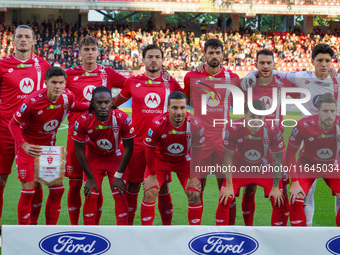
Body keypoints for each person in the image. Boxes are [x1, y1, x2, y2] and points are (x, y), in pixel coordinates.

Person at [241, 43, 340, 226]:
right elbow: (273, 71)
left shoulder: (338, 80)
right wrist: (250, 73)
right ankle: (305, 232)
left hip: (335, 144)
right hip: (307, 143)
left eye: (328, 61)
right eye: (320, 60)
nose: (324, 64)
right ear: (313, 61)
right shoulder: (301, 77)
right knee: (304, 193)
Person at [8, 67, 88, 225]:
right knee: (29, 189)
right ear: (46, 83)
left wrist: (95, 106)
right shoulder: (32, 101)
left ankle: (48, 230)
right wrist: (23, 145)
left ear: (65, 83)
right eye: (54, 82)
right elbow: (13, 124)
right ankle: (25, 231)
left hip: (48, 149)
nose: (57, 86)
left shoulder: (67, 97)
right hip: (29, 147)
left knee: (58, 189)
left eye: (61, 83)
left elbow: (76, 106)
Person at [113, 44, 182, 225]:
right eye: (149, 56)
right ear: (142, 60)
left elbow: (186, 100)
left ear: (162, 60)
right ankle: (128, 229)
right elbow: (113, 103)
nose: (153, 60)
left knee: (162, 187)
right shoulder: (132, 82)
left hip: (161, 146)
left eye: (157, 57)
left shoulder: (171, 83)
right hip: (136, 144)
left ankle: (167, 228)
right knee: (133, 186)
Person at [65, 36, 127, 225]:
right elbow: (57, 93)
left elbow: (129, 87)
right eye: (86, 49)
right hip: (76, 136)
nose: (90, 52)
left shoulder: (107, 73)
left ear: (98, 52)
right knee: (75, 183)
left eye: (93, 49)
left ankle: (96, 229)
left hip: (102, 136)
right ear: (80, 52)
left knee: (96, 185)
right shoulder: (69, 74)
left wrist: (114, 104)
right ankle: (76, 228)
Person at [183, 38, 240, 224]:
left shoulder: (233, 79)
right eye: (210, 53)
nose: (214, 56)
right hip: (201, 146)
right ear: (204, 55)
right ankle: (194, 234)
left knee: (228, 193)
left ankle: (229, 232)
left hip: (224, 145)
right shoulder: (191, 77)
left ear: (223, 55)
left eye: (217, 53)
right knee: (194, 192)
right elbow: (186, 102)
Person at [238, 49, 296, 226]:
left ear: (273, 65)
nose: (265, 66)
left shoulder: (283, 84)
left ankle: (278, 233)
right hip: (251, 144)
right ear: (255, 65)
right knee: (250, 186)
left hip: (276, 146)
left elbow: (309, 82)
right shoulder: (248, 83)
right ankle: (248, 229)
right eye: (261, 63)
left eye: (268, 63)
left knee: (281, 189)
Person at [0, 25, 51, 225]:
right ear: (12, 41)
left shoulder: (43, 65)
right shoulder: (2, 64)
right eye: (19, 36)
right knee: (1, 181)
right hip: (4, 131)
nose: (23, 40)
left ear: (33, 41)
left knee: (35, 183)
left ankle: (32, 228)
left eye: (27, 37)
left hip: (32, 135)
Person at [216, 100, 285, 226]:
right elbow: (228, 157)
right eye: (252, 116)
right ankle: (222, 236)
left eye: (260, 117)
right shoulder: (234, 128)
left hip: (265, 168)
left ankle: (277, 239)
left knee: (278, 199)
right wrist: (229, 186)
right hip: (240, 167)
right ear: (245, 114)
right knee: (224, 198)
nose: (256, 120)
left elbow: (278, 160)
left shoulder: (273, 129)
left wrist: (275, 187)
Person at [73, 86, 135, 225]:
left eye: (106, 102)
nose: (103, 106)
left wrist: (118, 176)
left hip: (116, 158)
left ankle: (122, 234)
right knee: (91, 194)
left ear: (111, 102)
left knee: (120, 194)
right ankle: (90, 234)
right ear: (92, 103)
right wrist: (89, 177)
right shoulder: (83, 119)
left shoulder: (122, 118)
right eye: (99, 102)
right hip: (94, 158)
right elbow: (79, 149)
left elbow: (129, 148)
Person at [141, 91, 204, 225]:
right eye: (174, 108)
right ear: (168, 108)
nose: (179, 112)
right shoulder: (157, 124)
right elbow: (149, 149)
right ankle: (145, 235)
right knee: (149, 193)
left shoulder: (196, 124)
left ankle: (194, 236)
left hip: (184, 160)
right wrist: (151, 175)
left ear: (187, 108)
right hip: (160, 160)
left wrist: (193, 176)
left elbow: (198, 150)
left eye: (182, 108)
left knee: (194, 195)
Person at [288, 93, 340, 226]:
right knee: (296, 198)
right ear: (317, 111)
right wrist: (294, 182)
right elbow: (290, 153)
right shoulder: (303, 125)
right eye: (325, 111)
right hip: (307, 166)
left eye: (332, 111)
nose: (329, 115)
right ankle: (302, 237)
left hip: (333, 167)